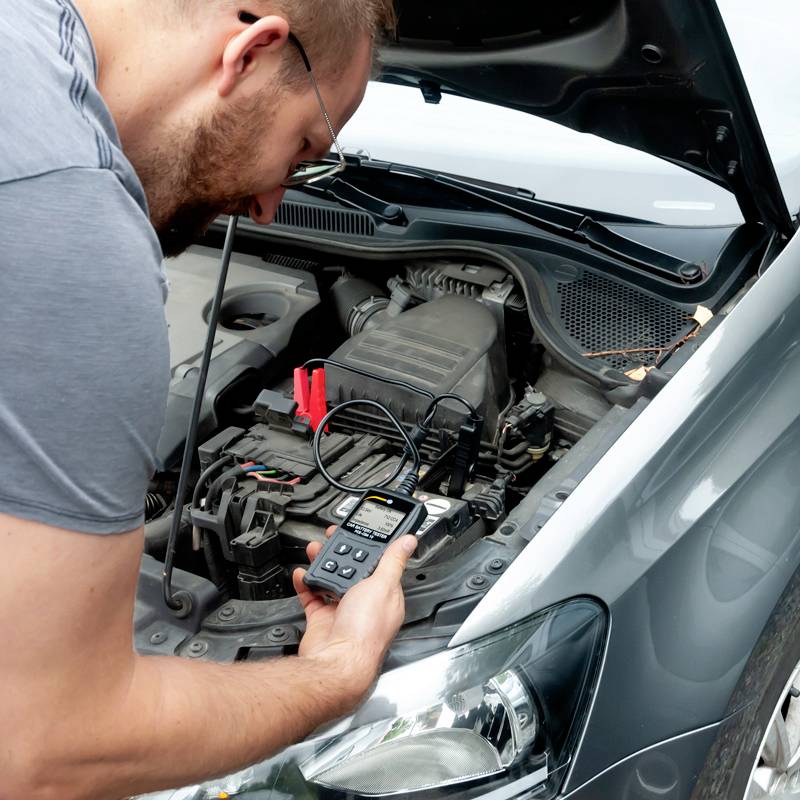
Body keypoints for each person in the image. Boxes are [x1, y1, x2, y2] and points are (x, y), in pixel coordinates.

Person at [0, 0, 416, 797]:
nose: (269, 207)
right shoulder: (71, 236)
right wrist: (335, 674)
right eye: (302, 150)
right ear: (252, 53)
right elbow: (44, 749)